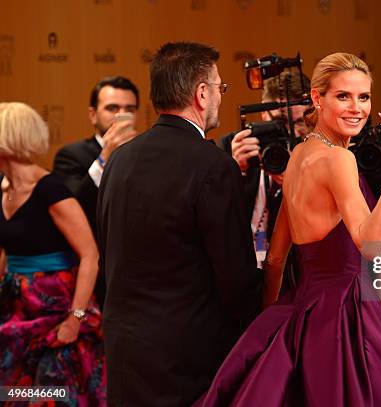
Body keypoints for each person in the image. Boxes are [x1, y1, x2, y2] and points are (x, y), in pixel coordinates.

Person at [195, 52, 381, 406]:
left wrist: (269, 325)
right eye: (343, 96)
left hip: (304, 311)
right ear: (317, 98)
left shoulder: (298, 155)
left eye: (364, 97)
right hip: (345, 316)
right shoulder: (340, 158)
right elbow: (370, 245)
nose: (356, 108)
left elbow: (276, 258)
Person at [97, 42, 261, 407]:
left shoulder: (119, 159)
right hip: (188, 360)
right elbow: (235, 278)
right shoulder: (213, 166)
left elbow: (106, 259)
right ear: (202, 94)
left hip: (125, 350)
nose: (220, 95)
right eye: (220, 87)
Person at [0, 102, 105, 404]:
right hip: (16, 309)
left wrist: (76, 318)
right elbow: (9, 250)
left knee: (50, 396)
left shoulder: (50, 189)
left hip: (57, 310)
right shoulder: (3, 188)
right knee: (12, 395)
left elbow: (90, 256)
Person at [53, 75, 139, 309]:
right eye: (112, 108)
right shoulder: (71, 155)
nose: (121, 115)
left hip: (139, 270)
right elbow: (76, 207)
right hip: (93, 269)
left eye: (129, 109)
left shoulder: (146, 154)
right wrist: (106, 156)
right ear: (93, 114)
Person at [221, 71, 311, 270]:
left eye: (299, 122)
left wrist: (296, 186)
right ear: (264, 113)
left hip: (294, 273)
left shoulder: (318, 156)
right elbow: (215, 220)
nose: (292, 132)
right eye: (282, 121)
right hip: (240, 271)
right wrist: (235, 173)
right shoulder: (233, 146)